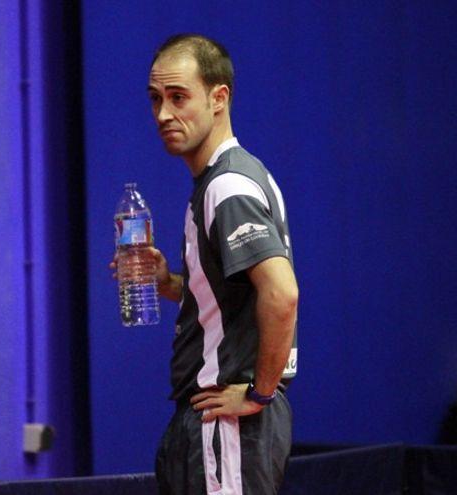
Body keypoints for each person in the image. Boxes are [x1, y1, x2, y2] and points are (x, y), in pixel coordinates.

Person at [136, 34, 299, 494]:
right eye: (156, 99)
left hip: (224, 420)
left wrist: (259, 393)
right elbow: (233, 295)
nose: (164, 114)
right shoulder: (226, 179)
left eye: (178, 97)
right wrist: (170, 283)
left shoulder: (227, 186)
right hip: (212, 418)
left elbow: (281, 293)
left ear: (219, 97)